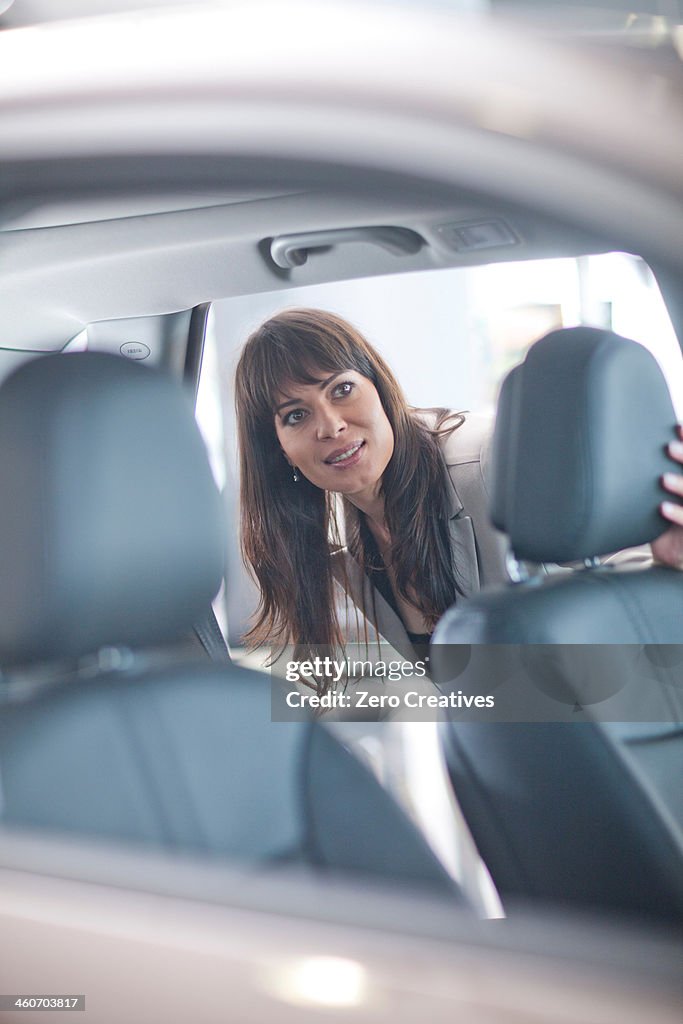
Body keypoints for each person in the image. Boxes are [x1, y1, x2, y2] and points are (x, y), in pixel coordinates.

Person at [234, 308, 683, 665]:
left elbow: (632, 578)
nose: (330, 426)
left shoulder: (490, 464)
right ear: (278, 449)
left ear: (379, 387)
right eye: (296, 415)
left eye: (342, 389)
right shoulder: (336, 550)